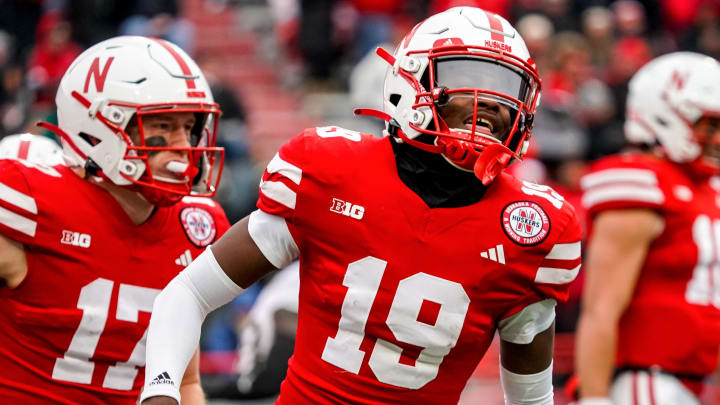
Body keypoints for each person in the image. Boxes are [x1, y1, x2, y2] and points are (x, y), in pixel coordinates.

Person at [141, 7, 583, 405]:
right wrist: (161, 390)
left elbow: (530, 399)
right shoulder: (331, 172)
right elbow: (190, 291)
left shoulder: (533, 229)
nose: (491, 100)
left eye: (507, 88)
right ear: (411, 80)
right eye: (469, 76)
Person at [0, 35, 229, 404]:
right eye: (163, 126)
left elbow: (185, 381)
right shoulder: (27, 201)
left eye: (189, 128)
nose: (184, 147)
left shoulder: (196, 226)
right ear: (98, 126)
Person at [575, 52, 720, 405]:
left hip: (696, 383)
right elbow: (600, 308)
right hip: (649, 382)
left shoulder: (706, 190)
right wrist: (594, 398)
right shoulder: (642, 181)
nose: (716, 138)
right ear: (665, 113)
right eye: (708, 125)